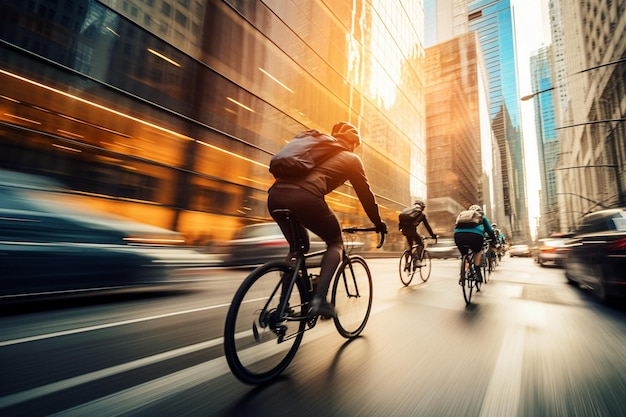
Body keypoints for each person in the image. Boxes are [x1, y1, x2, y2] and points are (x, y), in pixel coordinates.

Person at [268, 121, 387, 319]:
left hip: (274, 197)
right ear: (354, 143)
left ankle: (281, 308)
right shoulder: (351, 158)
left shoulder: (314, 149)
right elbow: (365, 195)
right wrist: (378, 223)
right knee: (335, 242)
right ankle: (319, 300)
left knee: (297, 250)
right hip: (304, 198)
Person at [454, 204, 497, 285]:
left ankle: (462, 274)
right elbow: (490, 231)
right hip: (475, 236)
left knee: (464, 255)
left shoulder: (463, 215)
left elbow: (456, 226)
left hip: (458, 235)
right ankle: (477, 273)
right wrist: (493, 240)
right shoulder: (481, 216)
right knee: (478, 251)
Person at [398, 200, 437, 264]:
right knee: (420, 243)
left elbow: (400, 221)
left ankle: (407, 263)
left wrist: (400, 228)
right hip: (411, 231)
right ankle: (418, 260)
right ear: (422, 207)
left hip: (404, 230)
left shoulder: (407, 210)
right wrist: (433, 235)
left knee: (410, 247)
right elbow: (427, 226)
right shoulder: (421, 214)